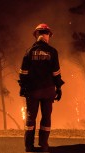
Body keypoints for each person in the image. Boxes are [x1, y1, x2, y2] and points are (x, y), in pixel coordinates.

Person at [18, 23, 64, 152]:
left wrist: (23, 87)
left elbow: (23, 72)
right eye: (48, 34)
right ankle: (44, 145)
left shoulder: (29, 52)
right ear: (48, 35)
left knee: (30, 118)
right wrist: (59, 88)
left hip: (33, 90)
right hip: (48, 90)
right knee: (46, 117)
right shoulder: (53, 52)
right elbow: (56, 73)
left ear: (36, 35)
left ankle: (29, 146)